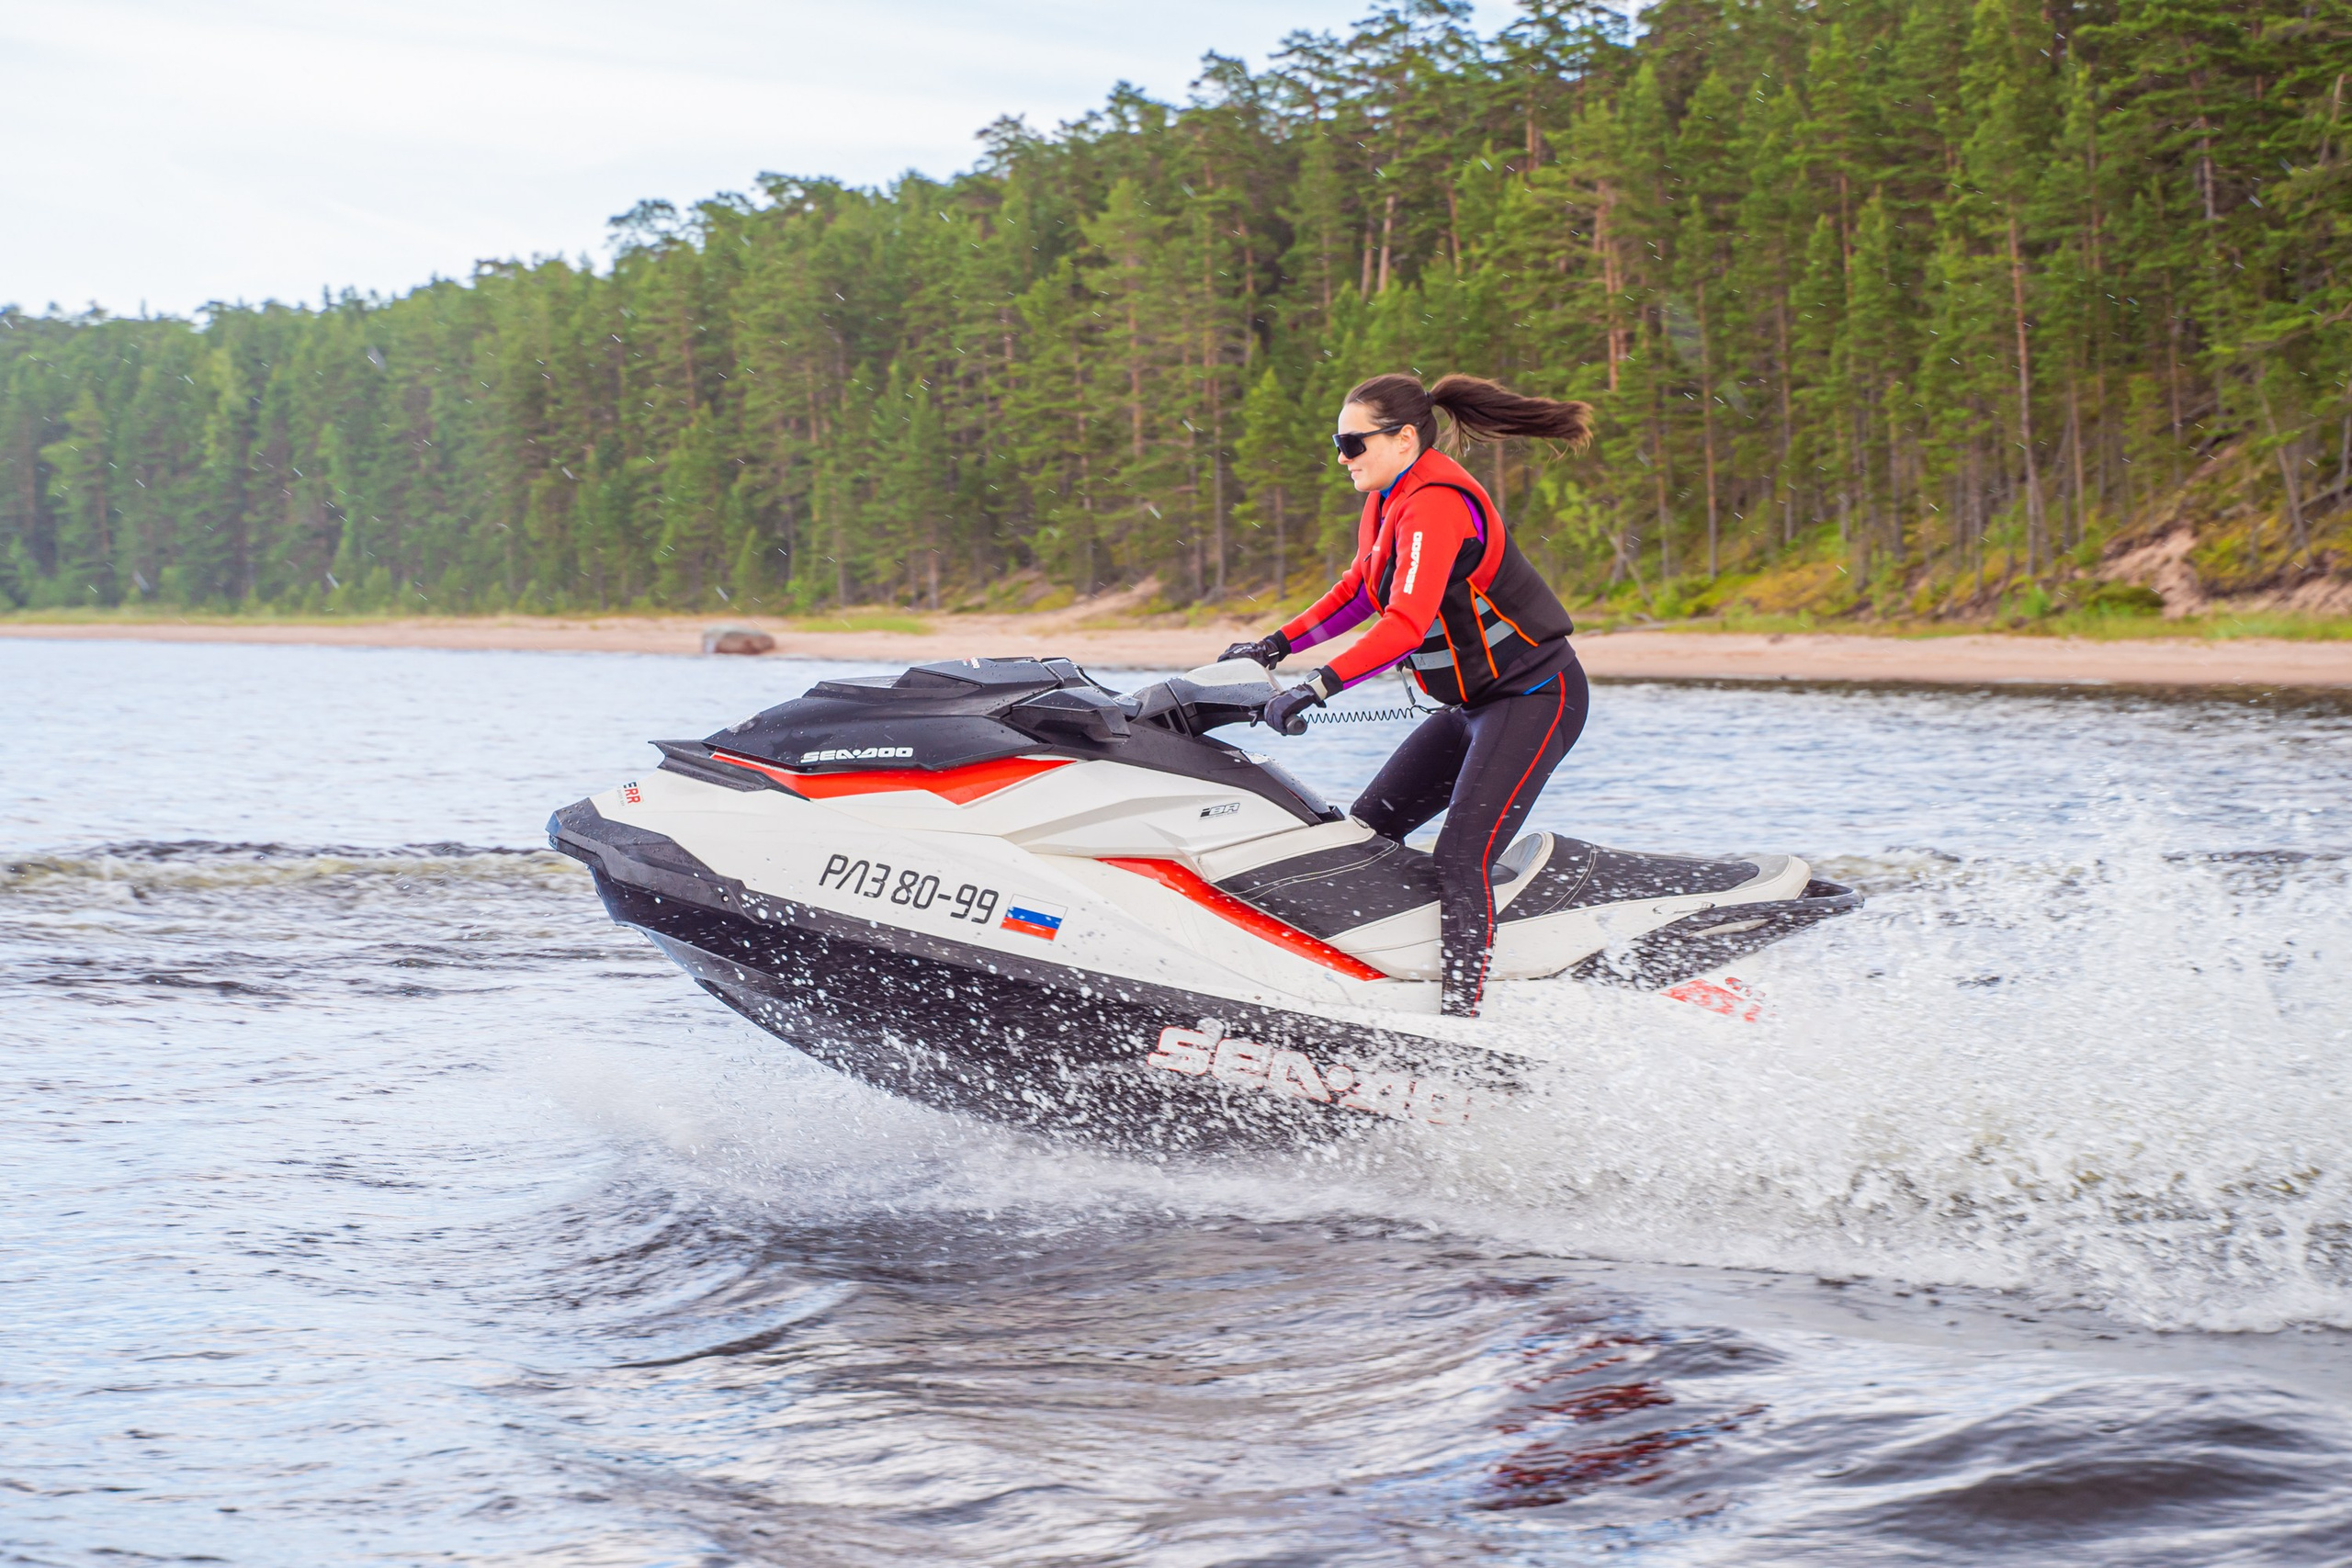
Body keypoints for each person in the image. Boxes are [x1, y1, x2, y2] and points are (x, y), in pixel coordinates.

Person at [1222, 373, 1594, 1018]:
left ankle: (1463, 1019)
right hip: (1473, 709)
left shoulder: (1436, 504)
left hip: (1537, 696)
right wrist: (1272, 647)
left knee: (1461, 854)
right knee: (1368, 833)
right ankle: (1370, 983)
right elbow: (1359, 592)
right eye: (1337, 443)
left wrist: (1317, 686)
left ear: (1403, 439)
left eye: (1352, 443)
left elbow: (1405, 624)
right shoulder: (1387, 497)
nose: (1343, 457)